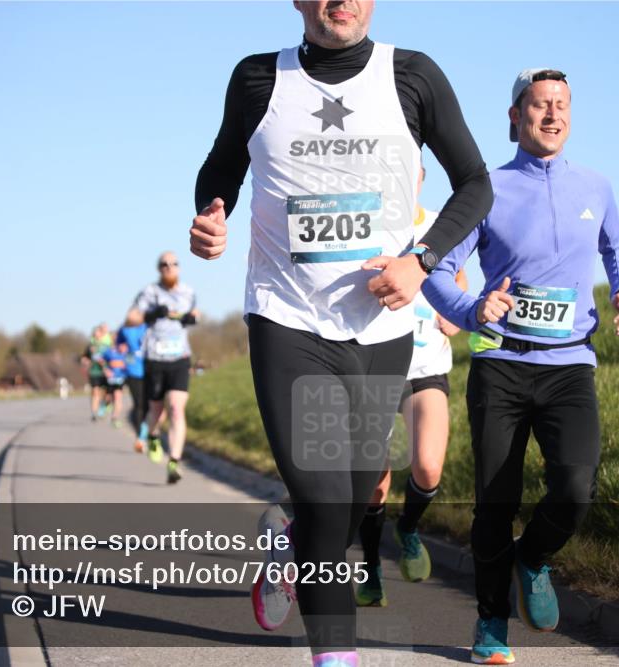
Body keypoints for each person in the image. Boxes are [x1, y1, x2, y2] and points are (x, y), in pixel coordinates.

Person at [191, 2, 493, 664]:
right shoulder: (257, 80)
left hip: (379, 327)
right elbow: (220, 168)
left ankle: (291, 543)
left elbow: (475, 184)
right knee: (328, 500)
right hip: (286, 319)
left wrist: (423, 259)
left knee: (356, 496)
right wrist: (210, 213)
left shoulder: (413, 77)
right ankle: (335, 654)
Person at [423, 68, 619, 665]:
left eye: (562, 105)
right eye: (540, 105)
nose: (552, 115)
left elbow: (616, 247)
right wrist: (472, 308)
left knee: (575, 488)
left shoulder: (596, 187)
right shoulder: (484, 189)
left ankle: (535, 557)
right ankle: (491, 624)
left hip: (571, 364)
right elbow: (434, 271)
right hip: (501, 365)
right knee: (496, 501)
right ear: (515, 117)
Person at [355, 168, 468, 607]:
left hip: (426, 363)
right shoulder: (367, 224)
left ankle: (408, 529)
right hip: (377, 364)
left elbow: (458, 279)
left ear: (420, 176)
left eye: (410, 170)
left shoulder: (440, 223)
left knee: (428, 468)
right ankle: (369, 567)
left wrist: (455, 314)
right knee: (375, 482)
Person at [133, 251, 198, 484]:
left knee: (176, 409)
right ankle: (152, 436)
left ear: (179, 267)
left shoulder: (188, 292)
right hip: (155, 358)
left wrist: (192, 318)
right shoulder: (150, 292)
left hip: (179, 358)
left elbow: (196, 312)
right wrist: (151, 313)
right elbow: (132, 318)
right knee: (156, 411)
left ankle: (174, 461)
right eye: (164, 264)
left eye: (173, 264)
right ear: (158, 269)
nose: (169, 267)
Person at [117, 309, 149, 452]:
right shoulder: (123, 330)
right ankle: (140, 436)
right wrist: (124, 351)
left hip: (150, 369)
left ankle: (148, 433)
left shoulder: (148, 326)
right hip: (133, 370)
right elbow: (119, 346)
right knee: (138, 404)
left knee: (149, 405)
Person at [81, 324, 112, 421]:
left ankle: (104, 405)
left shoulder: (107, 346)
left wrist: (106, 364)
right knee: (95, 392)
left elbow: (112, 358)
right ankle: (94, 413)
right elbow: (84, 357)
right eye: (95, 333)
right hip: (94, 372)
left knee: (107, 394)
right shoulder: (90, 346)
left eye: (98, 332)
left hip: (106, 372)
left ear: (102, 334)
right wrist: (85, 361)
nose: (96, 334)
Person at [99, 335, 129, 429]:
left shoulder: (127, 351)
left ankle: (115, 418)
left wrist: (127, 367)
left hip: (121, 378)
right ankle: (105, 405)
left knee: (118, 397)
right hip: (110, 378)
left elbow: (132, 362)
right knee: (108, 397)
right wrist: (106, 370)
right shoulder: (109, 351)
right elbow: (101, 360)